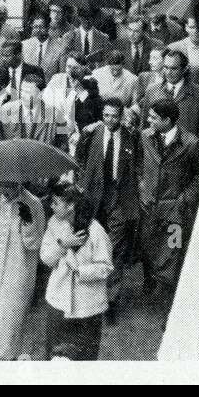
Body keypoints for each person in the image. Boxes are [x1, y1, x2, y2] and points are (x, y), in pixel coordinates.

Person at [77, 97, 140, 316]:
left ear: (121, 115)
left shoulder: (132, 137)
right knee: (92, 245)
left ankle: (111, 301)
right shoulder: (92, 134)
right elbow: (80, 160)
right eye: (106, 115)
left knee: (115, 250)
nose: (110, 120)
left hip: (120, 200)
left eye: (114, 116)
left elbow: (139, 165)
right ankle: (91, 294)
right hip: (95, 198)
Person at [136, 98, 199, 297]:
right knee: (148, 246)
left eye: (153, 118)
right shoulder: (145, 137)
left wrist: (183, 200)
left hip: (175, 212)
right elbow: (139, 165)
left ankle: (169, 298)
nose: (148, 121)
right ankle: (150, 278)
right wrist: (143, 186)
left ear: (167, 120)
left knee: (173, 251)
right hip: (148, 206)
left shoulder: (191, 144)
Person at [0, 183, 45, 359]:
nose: (5, 190)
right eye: (2, 184)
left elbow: (35, 244)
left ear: (20, 182)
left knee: (9, 323)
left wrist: (28, 223)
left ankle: (6, 364)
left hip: (18, 271)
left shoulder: (33, 204)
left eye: (10, 185)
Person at [40, 182, 112, 360]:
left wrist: (81, 271)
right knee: (54, 357)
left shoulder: (96, 231)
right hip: (57, 302)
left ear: (71, 205)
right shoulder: (53, 224)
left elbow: (106, 267)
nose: (52, 207)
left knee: (84, 361)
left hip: (88, 308)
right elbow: (46, 258)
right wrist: (63, 245)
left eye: (56, 203)